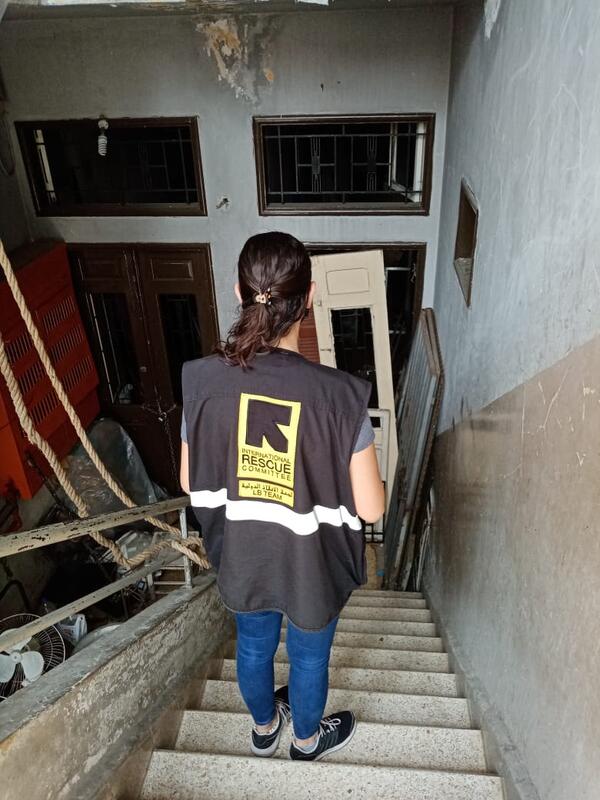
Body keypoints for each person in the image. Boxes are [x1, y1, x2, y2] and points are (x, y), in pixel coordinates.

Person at [180, 231, 385, 762]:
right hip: (312, 560)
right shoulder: (340, 397)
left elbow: (189, 480)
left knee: (252, 645)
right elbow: (371, 508)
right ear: (310, 298)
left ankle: (265, 729)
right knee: (309, 659)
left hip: (246, 554)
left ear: (238, 290)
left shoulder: (203, 386)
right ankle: (307, 740)